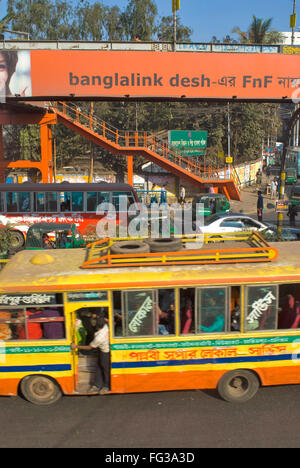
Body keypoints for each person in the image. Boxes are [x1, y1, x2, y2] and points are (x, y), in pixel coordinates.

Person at [71, 312, 110, 395]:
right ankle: (97, 384)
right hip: (102, 350)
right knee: (99, 367)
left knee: (105, 369)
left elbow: (89, 347)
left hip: (105, 353)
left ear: (96, 326)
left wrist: (76, 346)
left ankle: (106, 386)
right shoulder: (106, 326)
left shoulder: (99, 337)